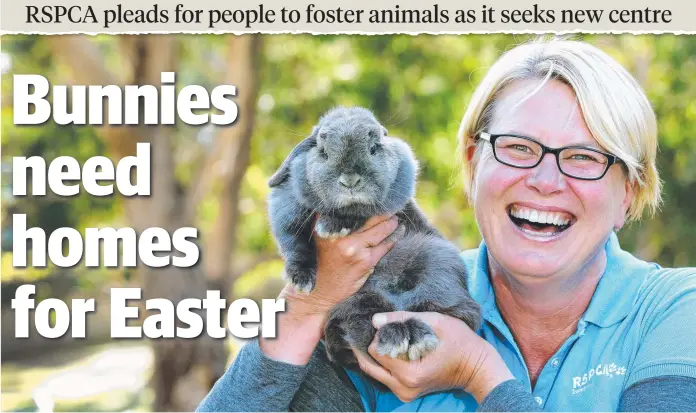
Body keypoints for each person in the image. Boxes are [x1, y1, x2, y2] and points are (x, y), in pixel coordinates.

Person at [196, 38, 696, 411]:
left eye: (585, 157)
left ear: (629, 192)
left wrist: (479, 372)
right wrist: (309, 305)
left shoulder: (674, 312)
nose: (545, 181)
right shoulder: (384, 296)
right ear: (474, 163)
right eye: (518, 148)